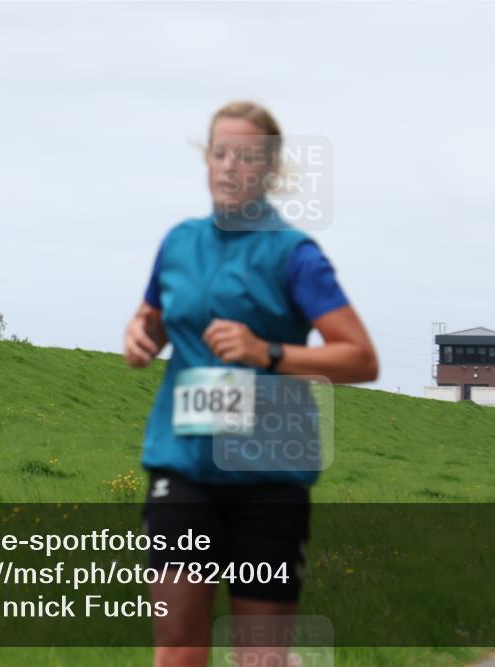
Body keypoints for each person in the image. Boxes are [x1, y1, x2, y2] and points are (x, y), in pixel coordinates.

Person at [123, 101, 378, 667]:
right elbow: (153, 320)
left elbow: (360, 358)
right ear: (207, 160)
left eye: (246, 156)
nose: (230, 166)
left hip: (269, 471)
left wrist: (269, 351)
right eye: (220, 153)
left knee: (259, 656)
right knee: (178, 644)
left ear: (269, 169)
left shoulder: (293, 255)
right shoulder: (178, 243)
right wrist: (141, 336)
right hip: (184, 465)